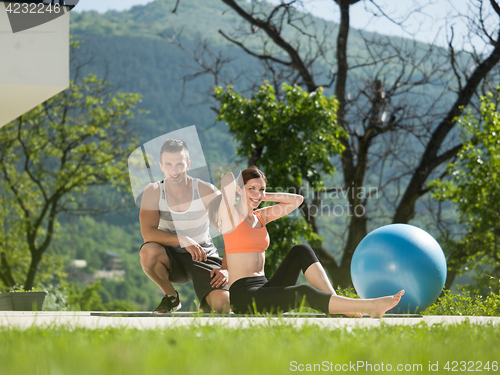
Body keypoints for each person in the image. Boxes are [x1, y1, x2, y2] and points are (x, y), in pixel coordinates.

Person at [208, 166, 404, 317]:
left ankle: (336, 303)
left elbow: (297, 200)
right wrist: (242, 190)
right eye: (251, 188)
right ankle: (371, 307)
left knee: (301, 249)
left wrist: (263, 195)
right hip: (244, 296)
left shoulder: (260, 217)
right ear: (239, 190)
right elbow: (226, 179)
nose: (257, 194)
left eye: (261, 189)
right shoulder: (230, 217)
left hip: (264, 287)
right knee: (303, 292)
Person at [139, 139, 230, 313]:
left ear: (188, 164)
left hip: (203, 255)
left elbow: (232, 231)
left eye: (179, 164)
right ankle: (171, 297)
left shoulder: (207, 191)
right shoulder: (153, 192)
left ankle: (207, 302)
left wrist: (225, 268)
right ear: (161, 166)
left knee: (222, 307)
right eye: (169, 164)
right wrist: (182, 239)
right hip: (171, 257)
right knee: (148, 253)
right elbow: (148, 233)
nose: (174, 170)